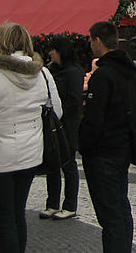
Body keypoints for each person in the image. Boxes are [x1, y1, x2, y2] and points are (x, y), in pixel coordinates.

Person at [0, 22, 62, 253]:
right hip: (30, 154)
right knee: (17, 214)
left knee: (3, 219)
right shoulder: (43, 73)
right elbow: (56, 111)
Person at [79, 20, 136, 252]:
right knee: (121, 208)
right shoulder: (131, 72)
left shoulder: (103, 75)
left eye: (90, 40)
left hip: (103, 151)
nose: (90, 44)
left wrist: (84, 144)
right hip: (123, 146)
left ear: (98, 41)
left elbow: (94, 118)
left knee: (110, 215)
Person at [41, 35, 84, 220]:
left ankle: (70, 205)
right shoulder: (52, 70)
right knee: (52, 163)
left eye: (53, 49)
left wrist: (59, 114)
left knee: (68, 163)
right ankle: (52, 203)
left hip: (68, 124)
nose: (50, 53)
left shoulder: (73, 72)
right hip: (53, 123)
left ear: (61, 51)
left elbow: (74, 100)